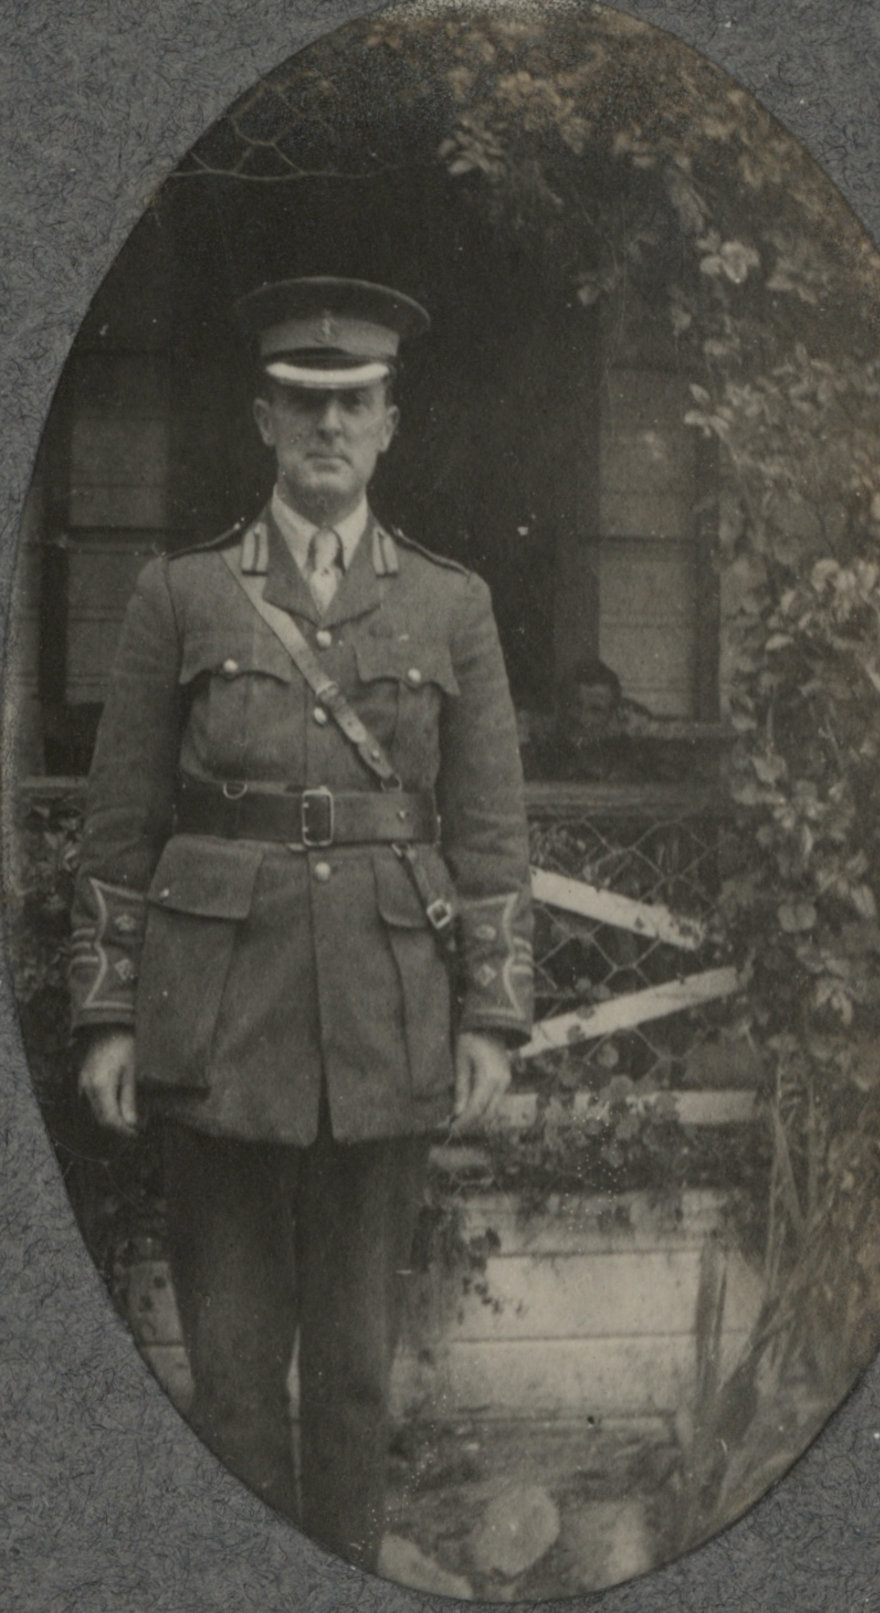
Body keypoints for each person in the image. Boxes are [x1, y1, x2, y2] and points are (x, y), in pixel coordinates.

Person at [69, 277, 534, 1571]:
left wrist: (491, 1015)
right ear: (264, 420)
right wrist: (108, 1015)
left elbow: (490, 830)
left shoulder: (451, 604)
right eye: (303, 401)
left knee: (353, 1378)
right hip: (214, 1024)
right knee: (228, 1376)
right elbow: (120, 822)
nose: (330, 425)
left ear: (389, 425)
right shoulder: (180, 594)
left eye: (354, 403)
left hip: (383, 1027)